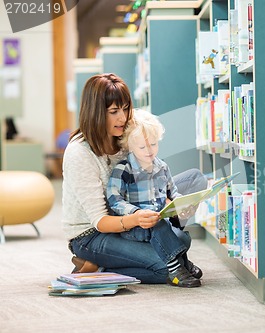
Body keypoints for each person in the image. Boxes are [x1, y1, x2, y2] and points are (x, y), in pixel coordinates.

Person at [62, 73, 207, 287]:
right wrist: (138, 218)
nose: (122, 118)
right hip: (92, 234)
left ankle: (168, 252)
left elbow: (151, 175)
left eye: (125, 108)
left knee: (194, 182)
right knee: (162, 268)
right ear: (95, 113)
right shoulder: (80, 154)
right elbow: (100, 221)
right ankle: (98, 265)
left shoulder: (125, 134)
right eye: (113, 112)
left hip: (133, 214)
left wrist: (172, 204)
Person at [106, 108, 201, 288]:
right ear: (130, 146)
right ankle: (176, 268)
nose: (149, 151)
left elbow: (173, 192)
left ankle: (182, 264)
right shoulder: (124, 169)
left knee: (183, 237)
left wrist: (180, 204)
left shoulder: (162, 167)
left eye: (154, 144)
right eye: (142, 147)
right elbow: (114, 199)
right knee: (159, 224)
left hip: (159, 223)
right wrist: (136, 213)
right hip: (134, 227)